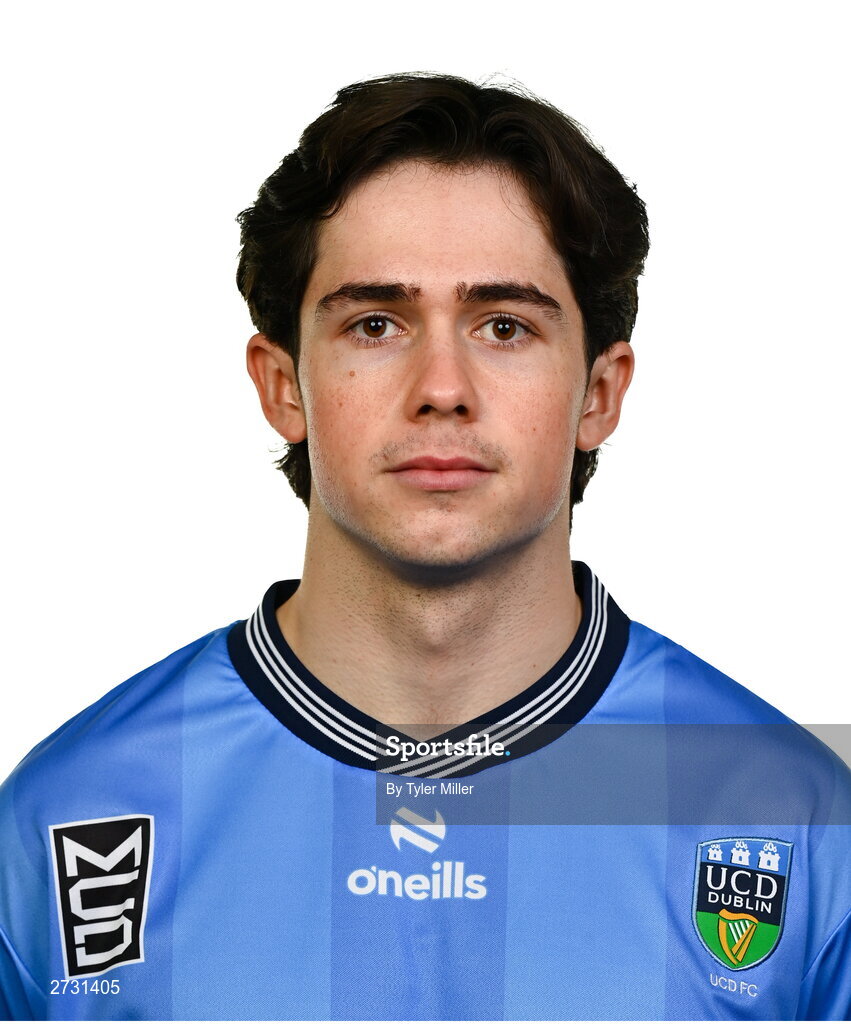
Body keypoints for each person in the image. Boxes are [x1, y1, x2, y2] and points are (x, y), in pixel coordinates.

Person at [0, 73, 848, 1022]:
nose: (441, 387)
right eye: (375, 324)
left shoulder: (794, 818)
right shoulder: (67, 814)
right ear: (282, 386)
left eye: (503, 326)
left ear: (599, 394)